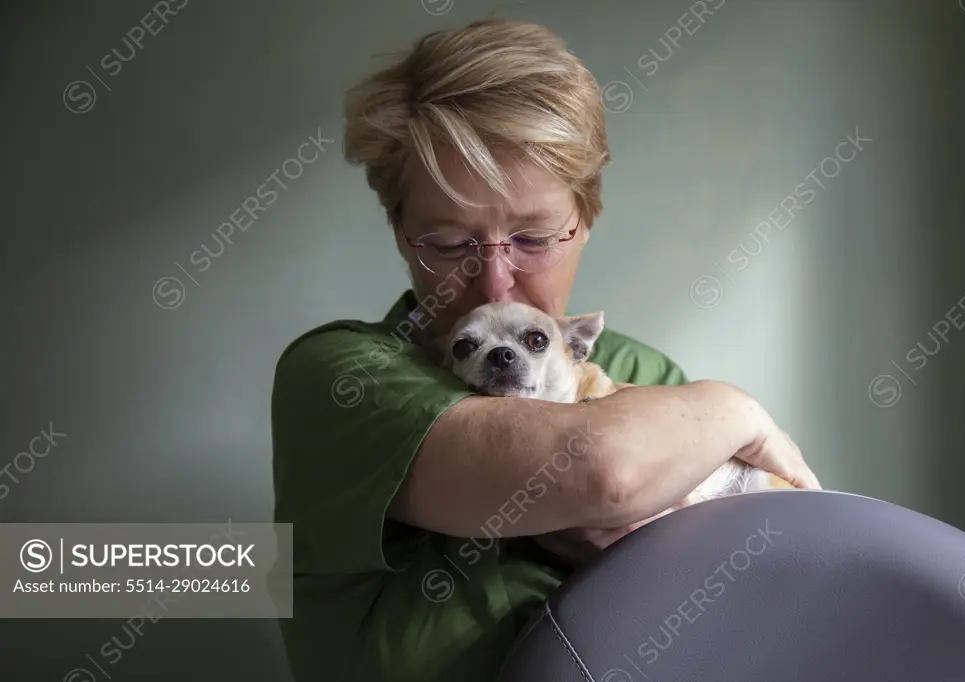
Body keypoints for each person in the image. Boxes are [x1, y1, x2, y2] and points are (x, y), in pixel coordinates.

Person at [270, 17, 821, 682]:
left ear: (584, 222)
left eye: (532, 239)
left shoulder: (646, 373)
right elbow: (607, 471)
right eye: (448, 243)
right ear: (400, 233)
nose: (495, 281)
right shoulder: (340, 378)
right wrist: (735, 410)